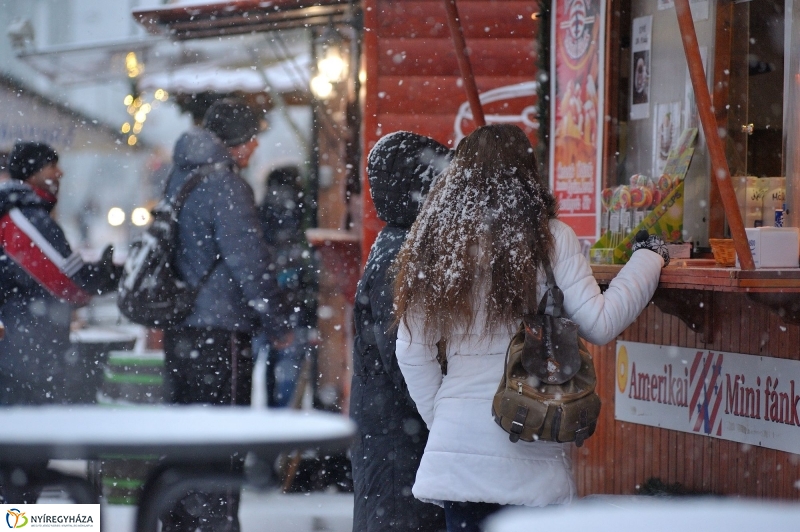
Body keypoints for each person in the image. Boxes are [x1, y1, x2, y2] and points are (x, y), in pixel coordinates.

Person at [392, 124, 668, 532]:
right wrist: (650, 258)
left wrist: (446, 417)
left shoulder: (438, 244)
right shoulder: (551, 239)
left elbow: (410, 350)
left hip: (457, 455)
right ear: (527, 174)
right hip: (530, 440)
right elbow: (600, 323)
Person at [160, 98, 294, 532]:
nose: (256, 147)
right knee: (222, 440)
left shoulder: (181, 175)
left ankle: (180, 520)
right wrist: (277, 321)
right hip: (218, 332)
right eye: (253, 137)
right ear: (237, 141)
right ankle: (214, 524)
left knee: (185, 437)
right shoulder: (227, 187)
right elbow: (250, 263)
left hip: (182, 327)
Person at [350, 131, 451, 532]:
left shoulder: (397, 242)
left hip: (388, 428)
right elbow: (406, 360)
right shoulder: (401, 254)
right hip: (397, 434)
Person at [0, 141, 121, 407]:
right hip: (27, 347)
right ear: (32, 174)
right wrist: (103, 279)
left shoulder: (24, 211)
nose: (60, 173)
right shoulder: (25, 216)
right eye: (52, 166)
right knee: (30, 432)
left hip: (25, 344)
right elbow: (64, 279)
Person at [255, 165, 318, 407]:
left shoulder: (261, 211)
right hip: (296, 300)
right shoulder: (305, 210)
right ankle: (284, 421)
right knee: (289, 368)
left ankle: (269, 420)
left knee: (269, 362)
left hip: (266, 297)